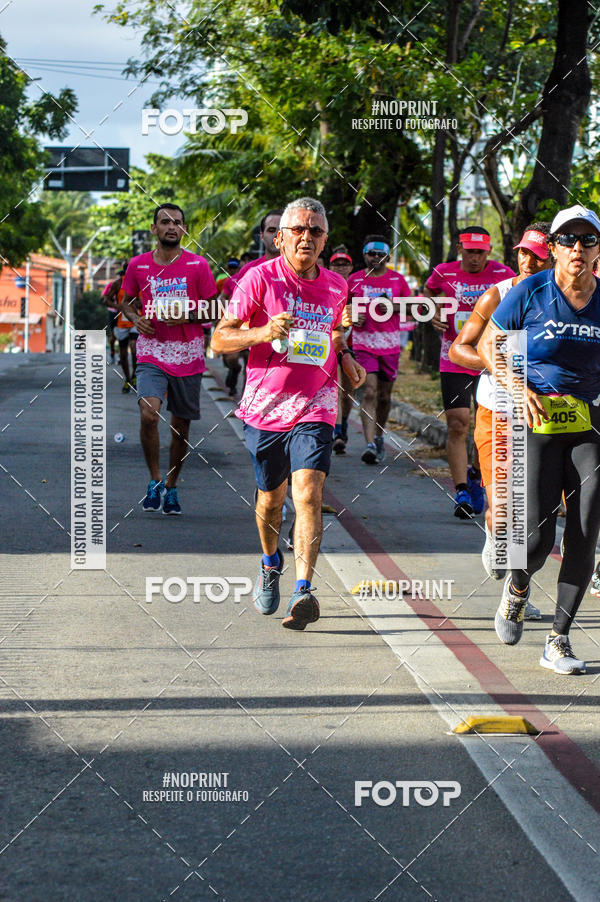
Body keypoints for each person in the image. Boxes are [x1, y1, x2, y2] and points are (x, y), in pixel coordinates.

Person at [211, 197, 366, 630]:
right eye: (297, 229)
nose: (306, 237)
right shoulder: (258, 279)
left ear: (325, 240)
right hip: (265, 407)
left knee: (309, 493)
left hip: (317, 403)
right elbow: (219, 341)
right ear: (280, 238)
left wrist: (346, 356)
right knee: (271, 500)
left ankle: (303, 590)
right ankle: (270, 562)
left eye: (315, 231)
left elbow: (335, 335)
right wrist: (263, 331)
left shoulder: (336, 285)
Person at [478, 204, 600, 674]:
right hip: (536, 422)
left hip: (591, 424)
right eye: (567, 239)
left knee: (585, 529)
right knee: (534, 537)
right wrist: (517, 386)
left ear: (598, 250)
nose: (577, 247)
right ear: (552, 248)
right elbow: (490, 344)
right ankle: (517, 586)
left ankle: (559, 638)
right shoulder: (530, 291)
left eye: (587, 239)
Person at [449, 223, 551, 622]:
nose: (528, 261)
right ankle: (497, 538)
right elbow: (459, 349)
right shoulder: (499, 294)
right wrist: (500, 363)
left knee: (533, 513)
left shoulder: (569, 300)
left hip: (546, 417)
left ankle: (516, 587)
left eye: (538, 256)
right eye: (523, 252)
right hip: (499, 411)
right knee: (505, 508)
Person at [120, 203, 217, 515]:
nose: (171, 226)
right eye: (165, 222)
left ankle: (172, 486)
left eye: (177, 222)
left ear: (184, 229)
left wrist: (187, 316)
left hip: (188, 354)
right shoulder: (138, 265)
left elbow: (215, 309)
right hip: (152, 350)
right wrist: (136, 319)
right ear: (154, 229)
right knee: (149, 414)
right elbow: (126, 302)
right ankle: (154, 480)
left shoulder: (198, 265)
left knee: (180, 426)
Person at [426, 227, 515, 518]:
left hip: (490, 360)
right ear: (459, 250)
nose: (475, 258)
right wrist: (434, 312)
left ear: (488, 251)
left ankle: (476, 472)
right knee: (457, 423)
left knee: (482, 426)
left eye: (480, 252)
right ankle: (462, 489)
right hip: (454, 357)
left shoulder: (503, 274)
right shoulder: (444, 272)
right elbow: (428, 292)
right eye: (469, 252)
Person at [347, 235, 412, 464]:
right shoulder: (354, 280)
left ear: (388, 256)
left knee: (384, 397)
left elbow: (412, 308)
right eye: (371, 253)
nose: (375, 258)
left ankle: (379, 435)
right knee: (370, 392)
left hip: (390, 345)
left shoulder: (397, 280)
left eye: (380, 254)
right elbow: (341, 306)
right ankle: (370, 445)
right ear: (364, 255)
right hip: (363, 344)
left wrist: (392, 306)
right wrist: (350, 316)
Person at [218, 212, 283, 396]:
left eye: (282, 230)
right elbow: (230, 303)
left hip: (288, 349)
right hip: (251, 335)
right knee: (236, 363)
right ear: (262, 236)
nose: (277, 234)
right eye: (271, 230)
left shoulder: (302, 271)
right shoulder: (249, 271)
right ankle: (239, 384)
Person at [328, 246, 355, 453]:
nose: (340, 267)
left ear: (351, 267)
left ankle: (343, 424)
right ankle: (336, 433)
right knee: (335, 389)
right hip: (330, 344)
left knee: (347, 392)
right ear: (330, 267)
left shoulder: (357, 287)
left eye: (344, 264)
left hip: (353, 344)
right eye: (336, 264)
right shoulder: (325, 285)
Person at [106, 265, 138, 392]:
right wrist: (117, 306)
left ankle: (134, 376)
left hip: (136, 320)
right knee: (123, 353)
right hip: (121, 322)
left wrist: (139, 304)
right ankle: (128, 379)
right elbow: (106, 299)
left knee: (134, 348)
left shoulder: (140, 281)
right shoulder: (117, 284)